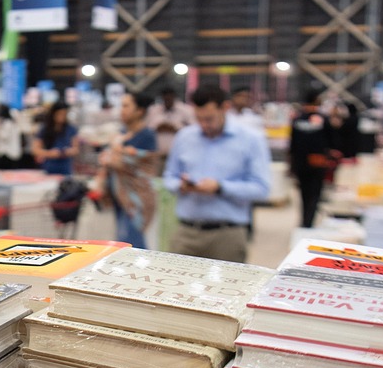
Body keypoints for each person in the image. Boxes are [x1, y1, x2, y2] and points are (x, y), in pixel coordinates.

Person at [163, 85, 271, 264]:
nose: (204, 125)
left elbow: (261, 188)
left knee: (228, 290)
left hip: (227, 235)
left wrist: (220, 187)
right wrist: (181, 185)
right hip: (186, 233)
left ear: (225, 108)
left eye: (210, 119)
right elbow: (169, 177)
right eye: (199, 119)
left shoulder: (251, 139)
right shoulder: (184, 137)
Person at [96, 91, 159, 248]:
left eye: (126, 106)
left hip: (136, 201)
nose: (121, 110)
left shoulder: (146, 135)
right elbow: (110, 158)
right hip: (120, 198)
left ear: (140, 111)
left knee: (132, 246)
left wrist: (113, 156)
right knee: (124, 244)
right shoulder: (123, 134)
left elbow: (130, 162)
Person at [289, 88, 336, 229]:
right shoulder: (323, 119)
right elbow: (332, 140)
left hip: (300, 163)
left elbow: (292, 143)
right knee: (314, 194)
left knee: (304, 194)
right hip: (317, 163)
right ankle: (309, 221)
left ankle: (304, 220)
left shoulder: (297, 119)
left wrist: (292, 165)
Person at [32, 101, 79, 176]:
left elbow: (76, 149)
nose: (62, 117)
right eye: (60, 114)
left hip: (65, 168)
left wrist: (68, 151)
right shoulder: (44, 129)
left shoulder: (71, 129)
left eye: (64, 114)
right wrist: (49, 153)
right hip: (49, 168)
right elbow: (35, 150)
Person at [0, 104, 25, 169]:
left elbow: (4, 137)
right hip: (6, 153)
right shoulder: (7, 123)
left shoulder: (8, 123)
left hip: (8, 154)